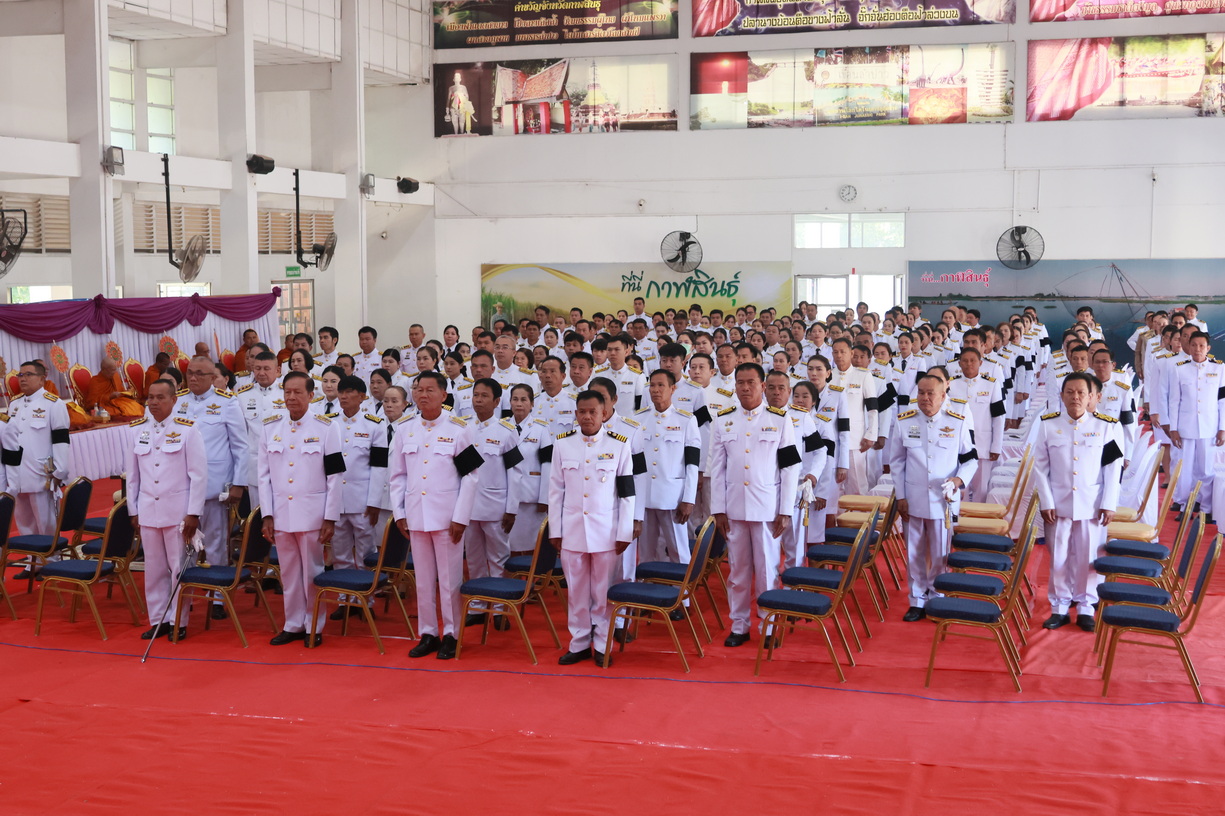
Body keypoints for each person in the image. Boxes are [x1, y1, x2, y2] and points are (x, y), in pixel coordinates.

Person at [388, 371, 483, 660]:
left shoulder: (458, 428)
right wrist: (399, 512)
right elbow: (397, 476)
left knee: (450, 579)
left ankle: (452, 634)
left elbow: (471, 476)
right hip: (416, 515)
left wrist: (461, 517)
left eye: (430, 390)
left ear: (444, 395)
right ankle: (428, 633)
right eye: (419, 389)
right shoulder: (405, 428)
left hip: (447, 518)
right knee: (423, 579)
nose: (423, 395)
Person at [710, 363, 800, 648]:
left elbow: (790, 469)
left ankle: (769, 625)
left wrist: (785, 510)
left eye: (751, 382)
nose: (745, 387)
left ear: (762, 386)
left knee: (767, 571)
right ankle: (739, 625)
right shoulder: (723, 420)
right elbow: (717, 469)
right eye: (740, 382)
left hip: (767, 509)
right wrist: (718, 509)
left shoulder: (780, 420)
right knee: (737, 573)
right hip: (734, 509)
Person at [549, 390, 635, 667]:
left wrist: (624, 532)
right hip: (572, 530)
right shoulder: (563, 444)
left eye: (593, 412)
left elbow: (627, 494)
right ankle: (578, 642)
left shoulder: (619, 445)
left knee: (603, 592)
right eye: (582, 412)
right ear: (575, 414)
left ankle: (601, 643)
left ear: (604, 414)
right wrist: (555, 530)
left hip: (606, 532)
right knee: (576, 591)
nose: (587, 417)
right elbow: (555, 491)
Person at [259, 372, 345, 647]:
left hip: (312, 514)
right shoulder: (271, 427)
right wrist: (267, 514)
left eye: (298, 392)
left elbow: (335, 476)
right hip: (281, 513)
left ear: (311, 395)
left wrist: (330, 517)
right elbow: (263, 476)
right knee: (288, 573)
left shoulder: (326, 427)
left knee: (311, 572)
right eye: (287, 392)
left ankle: (313, 624)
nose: (292, 397)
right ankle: (293, 624)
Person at [1034, 372, 1124, 632]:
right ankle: (1060, 607)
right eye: (1070, 392)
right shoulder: (1048, 425)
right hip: (1058, 504)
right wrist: (1046, 501)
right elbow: (1039, 467)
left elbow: (1113, 469)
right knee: (1059, 557)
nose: (1075, 397)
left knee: (1090, 556)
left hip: (1091, 503)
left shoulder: (1105, 426)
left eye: (1081, 393)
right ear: (1062, 396)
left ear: (1091, 397)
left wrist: (1109, 502)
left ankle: (1086, 606)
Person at [889, 374, 978, 621]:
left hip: (943, 500)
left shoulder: (957, 421)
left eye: (931, 393)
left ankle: (937, 595)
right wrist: (901, 496)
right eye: (921, 392)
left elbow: (970, 459)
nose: (925, 398)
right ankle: (917, 599)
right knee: (914, 551)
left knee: (940, 552)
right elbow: (897, 462)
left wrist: (959, 480)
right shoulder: (905, 421)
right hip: (913, 497)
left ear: (942, 396)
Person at [128, 380, 207, 640]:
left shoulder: (187, 430)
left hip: (178, 512)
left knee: (178, 569)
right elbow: (132, 477)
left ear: (174, 400)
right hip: (148, 510)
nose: (154, 402)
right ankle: (158, 619)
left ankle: (178, 621)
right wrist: (133, 510)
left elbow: (198, 475)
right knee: (153, 569)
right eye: (150, 397)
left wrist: (193, 513)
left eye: (160, 397)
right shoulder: (137, 430)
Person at [174, 355, 249, 619]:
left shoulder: (227, 402)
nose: (193, 378)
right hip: (182, 485)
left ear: (212, 377)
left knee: (216, 543)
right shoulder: (178, 401)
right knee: (183, 544)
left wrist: (238, 483)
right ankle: (184, 595)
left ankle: (218, 597)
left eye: (199, 374)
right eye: (189, 373)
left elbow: (240, 446)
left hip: (214, 485)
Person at [324, 375, 389, 619]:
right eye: (341, 391)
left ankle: (366, 601)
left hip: (362, 499)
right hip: (336, 499)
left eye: (349, 391)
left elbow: (379, 466)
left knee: (365, 553)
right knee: (340, 553)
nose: (343, 396)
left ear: (362, 397)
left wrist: (374, 502)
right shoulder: (329, 423)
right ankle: (344, 600)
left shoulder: (374, 425)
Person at [460, 378, 520, 626]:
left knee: (498, 559)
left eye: (484, 396)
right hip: (468, 507)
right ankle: (477, 607)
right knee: (473, 559)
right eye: (476, 395)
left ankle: (499, 609)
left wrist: (512, 508)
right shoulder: (463, 428)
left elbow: (515, 473)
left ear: (496, 402)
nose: (478, 400)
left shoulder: (506, 431)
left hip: (496, 506)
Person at [4, 361, 71, 575]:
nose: (23, 379)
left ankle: (51, 561)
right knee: (24, 521)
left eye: (28, 375)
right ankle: (32, 562)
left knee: (46, 521)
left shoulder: (53, 404)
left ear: (42, 379)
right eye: (20, 375)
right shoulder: (14, 404)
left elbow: (61, 440)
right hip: (18, 474)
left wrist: (60, 471)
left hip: (42, 472)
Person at [634, 369, 700, 574]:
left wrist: (688, 499)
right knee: (646, 552)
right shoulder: (639, 419)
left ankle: (683, 592)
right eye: (652, 385)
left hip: (673, 498)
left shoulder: (686, 420)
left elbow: (692, 464)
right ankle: (645, 589)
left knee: (678, 550)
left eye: (661, 385)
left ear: (673, 388)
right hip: (645, 497)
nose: (655, 390)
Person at [1163, 331, 1225, 524]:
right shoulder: (1179, 369)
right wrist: (1173, 428)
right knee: (1185, 470)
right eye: (1194, 345)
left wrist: (1222, 428)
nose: (1197, 349)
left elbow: (1222, 401)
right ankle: (1185, 506)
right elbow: (1174, 401)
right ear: (1188, 347)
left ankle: (1205, 509)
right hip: (1185, 428)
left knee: (1206, 470)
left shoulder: (1219, 368)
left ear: (1208, 348)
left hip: (1209, 427)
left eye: (1201, 345)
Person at [946, 347, 1004, 502]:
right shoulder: (951, 384)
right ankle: (958, 516)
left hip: (983, 444)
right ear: (959, 364)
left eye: (973, 361)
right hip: (958, 445)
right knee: (959, 487)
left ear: (980, 363)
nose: (969, 364)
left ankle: (978, 516)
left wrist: (996, 446)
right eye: (965, 361)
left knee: (981, 489)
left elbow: (998, 417)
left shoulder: (991, 384)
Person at [236, 351, 284, 510]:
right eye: (257, 368)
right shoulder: (243, 395)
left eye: (266, 368)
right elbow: (240, 434)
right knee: (256, 513)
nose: (261, 373)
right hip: (254, 464)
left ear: (277, 370)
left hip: (282, 461)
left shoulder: (286, 393)